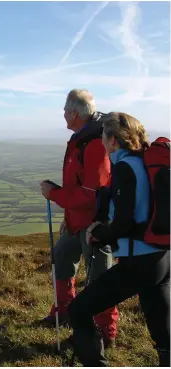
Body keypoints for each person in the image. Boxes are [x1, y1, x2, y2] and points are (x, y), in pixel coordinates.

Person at [67, 112, 170, 367]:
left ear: (113, 140)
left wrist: (97, 234)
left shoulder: (125, 167)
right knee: (163, 332)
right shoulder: (145, 163)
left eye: (103, 135)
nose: (101, 140)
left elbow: (124, 223)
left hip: (140, 261)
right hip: (163, 257)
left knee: (78, 310)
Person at [40, 89, 119, 348]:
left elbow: (90, 195)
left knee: (99, 277)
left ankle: (103, 333)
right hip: (77, 221)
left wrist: (54, 194)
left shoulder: (95, 144)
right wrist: (68, 213)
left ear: (75, 113)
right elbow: (79, 188)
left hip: (95, 224)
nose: (62, 114)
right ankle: (64, 313)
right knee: (61, 256)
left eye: (65, 110)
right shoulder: (81, 139)